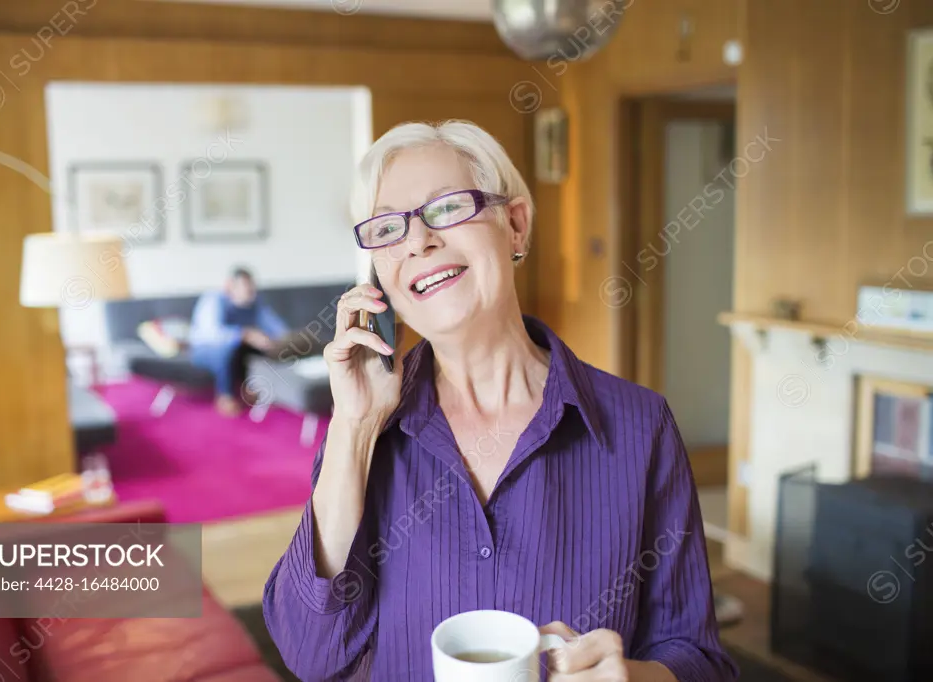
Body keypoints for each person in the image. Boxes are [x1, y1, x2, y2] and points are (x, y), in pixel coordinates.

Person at [263, 121, 738, 682]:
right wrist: (355, 428)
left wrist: (635, 678)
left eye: (445, 208)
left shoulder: (640, 425)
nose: (417, 241)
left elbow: (700, 659)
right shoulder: (362, 429)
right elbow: (309, 655)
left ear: (515, 225)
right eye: (388, 228)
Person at [189, 267, 289, 417]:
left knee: (258, 348)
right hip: (206, 349)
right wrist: (246, 334)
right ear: (230, 286)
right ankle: (225, 396)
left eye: (251, 287)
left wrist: (280, 340)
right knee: (228, 347)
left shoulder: (254, 302)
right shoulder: (214, 299)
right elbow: (212, 334)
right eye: (244, 286)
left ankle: (252, 389)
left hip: (238, 348)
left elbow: (276, 327)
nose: (249, 290)